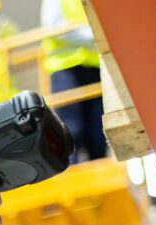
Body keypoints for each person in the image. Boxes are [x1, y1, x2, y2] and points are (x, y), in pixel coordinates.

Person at [41, 0, 106, 161]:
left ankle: (100, 172)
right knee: (71, 130)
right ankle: (71, 170)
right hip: (66, 68)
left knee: (97, 132)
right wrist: (92, 35)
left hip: (92, 66)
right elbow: (54, 28)